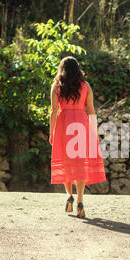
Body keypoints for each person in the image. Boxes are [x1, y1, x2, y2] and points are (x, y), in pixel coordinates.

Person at [49, 56, 106, 217]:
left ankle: (69, 197)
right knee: (80, 164)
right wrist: (94, 132)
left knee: (66, 163)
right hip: (81, 125)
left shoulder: (57, 85)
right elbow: (92, 111)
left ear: (62, 69)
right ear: (77, 69)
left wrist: (51, 132)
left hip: (63, 125)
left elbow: (54, 111)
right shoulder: (86, 86)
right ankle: (80, 200)